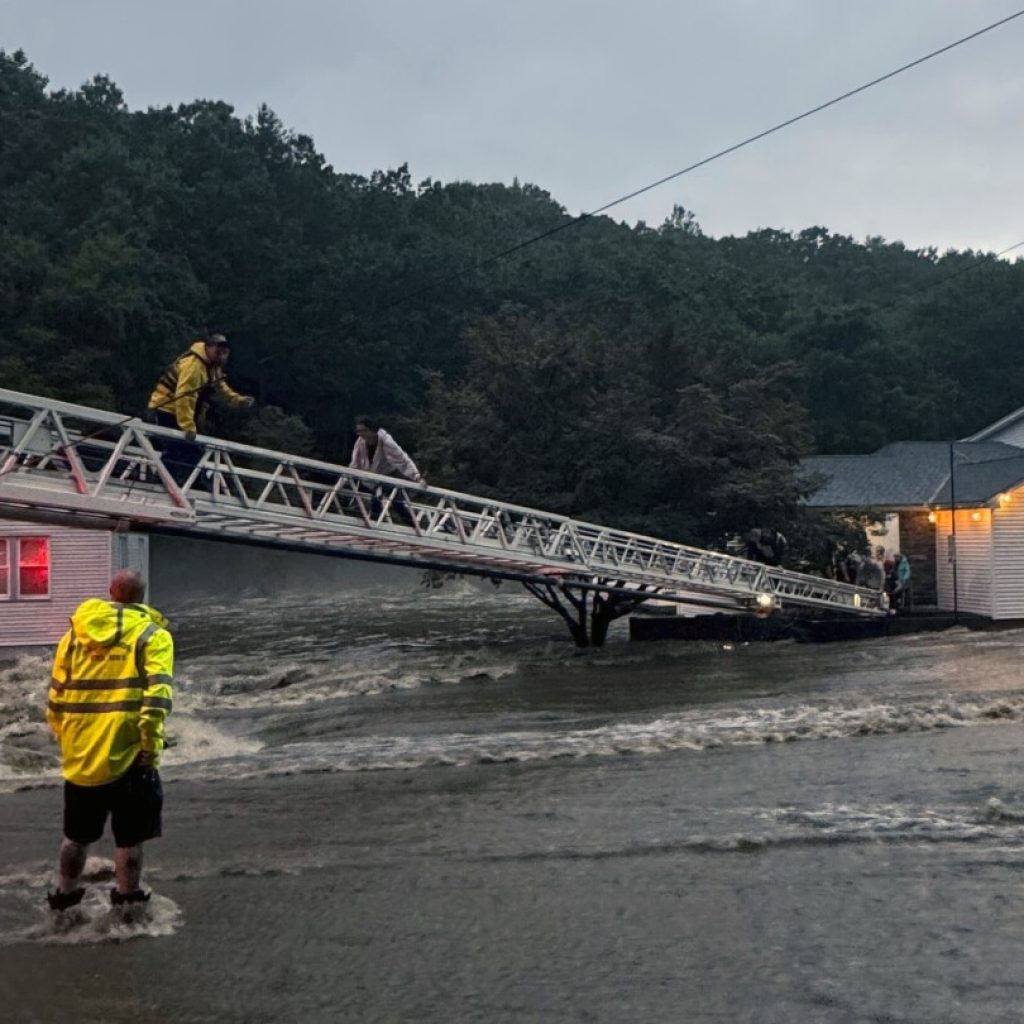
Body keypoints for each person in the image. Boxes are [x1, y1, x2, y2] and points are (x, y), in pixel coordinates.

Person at [45, 570, 174, 914]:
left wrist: (65, 736)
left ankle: (63, 898)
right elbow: (157, 698)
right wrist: (151, 745)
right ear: (141, 597)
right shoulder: (153, 635)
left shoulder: (74, 635)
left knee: (76, 834)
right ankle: (128, 904)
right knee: (130, 838)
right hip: (130, 753)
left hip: (81, 750)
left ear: (110, 593)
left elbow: (56, 693)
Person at [145, 332, 254, 484]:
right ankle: (176, 484)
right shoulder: (194, 365)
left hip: (179, 413)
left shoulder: (212, 366)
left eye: (225, 353)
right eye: (219, 352)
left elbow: (220, 387)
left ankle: (165, 482)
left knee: (183, 451)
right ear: (208, 348)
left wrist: (238, 400)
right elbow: (185, 397)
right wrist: (188, 426)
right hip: (165, 409)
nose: (222, 356)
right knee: (181, 450)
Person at [349, 416, 425, 527]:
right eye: (358, 431)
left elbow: (403, 459)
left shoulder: (386, 440)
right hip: (373, 476)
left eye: (363, 431)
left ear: (372, 429)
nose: (361, 434)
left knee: (396, 503)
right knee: (375, 499)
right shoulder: (360, 442)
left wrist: (417, 476)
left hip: (389, 474)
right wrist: (348, 475)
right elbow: (355, 462)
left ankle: (416, 528)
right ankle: (374, 525)